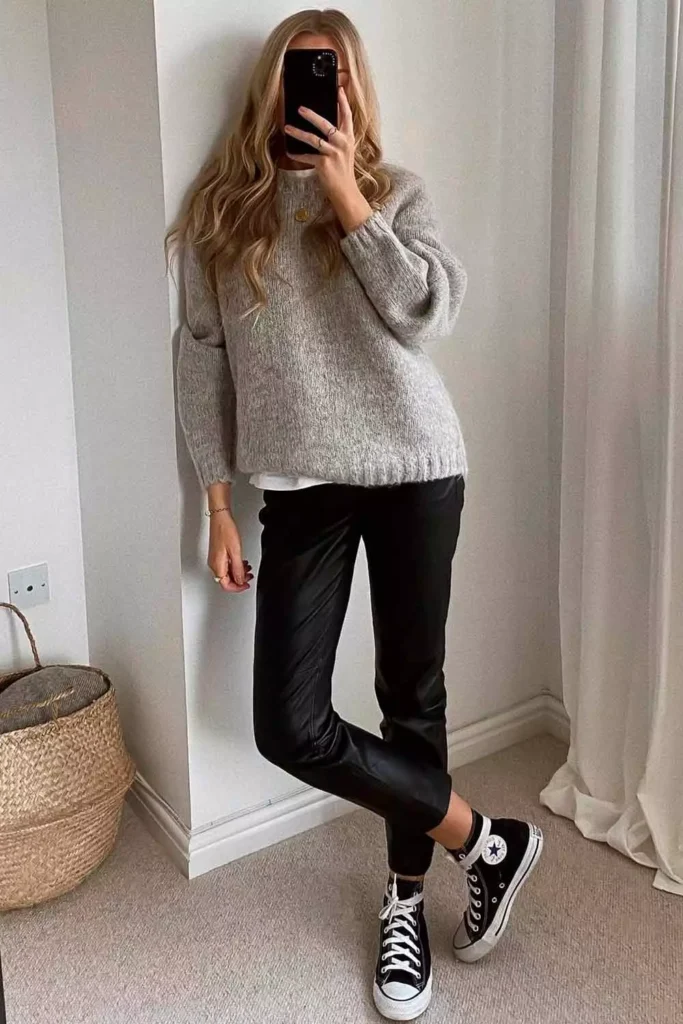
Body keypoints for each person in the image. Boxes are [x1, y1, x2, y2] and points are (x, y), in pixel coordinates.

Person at [168, 8, 543, 1021]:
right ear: (269, 86)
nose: (314, 92)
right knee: (288, 724)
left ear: (352, 89)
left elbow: (429, 313)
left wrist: (347, 202)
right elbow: (200, 360)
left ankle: (404, 898)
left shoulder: (392, 192)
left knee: (410, 694)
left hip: (413, 466)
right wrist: (216, 501)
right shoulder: (221, 214)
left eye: (330, 76)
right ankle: (485, 841)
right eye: (298, 74)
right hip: (299, 486)